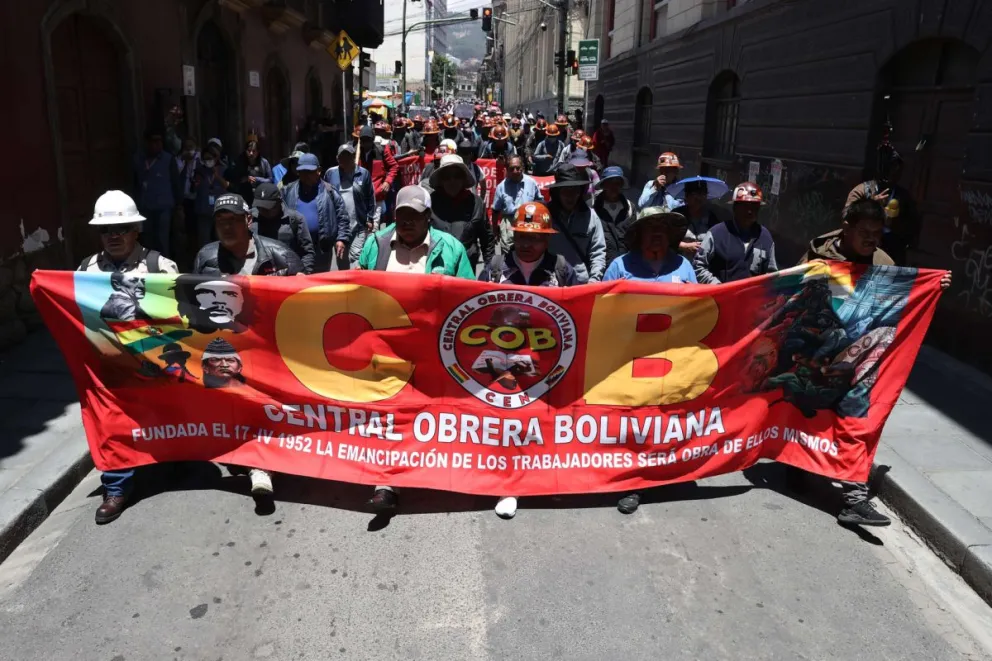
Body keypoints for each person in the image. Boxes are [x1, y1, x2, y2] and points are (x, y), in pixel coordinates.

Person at [794, 196, 952, 526]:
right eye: (864, 231)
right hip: (817, 355)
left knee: (856, 421)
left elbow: (902, 301)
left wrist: (934, 287)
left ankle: (853, 499)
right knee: (807, 415)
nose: (871, 239)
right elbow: (793, 296)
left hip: (860, 361)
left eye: (877, 232)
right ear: (847, 228)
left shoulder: (883, 261)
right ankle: (796, 465)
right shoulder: (818, 256)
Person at [358, 185, 474, 513]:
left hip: (433, 349)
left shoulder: (450, 248)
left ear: (428, 217)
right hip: (384, 347)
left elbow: (467, 297)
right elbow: (357, 287)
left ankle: (429, 469)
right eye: (401, 215)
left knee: (428, 415)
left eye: (414, 216)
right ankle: (387, 481)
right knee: (388, 416)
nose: (406, 222)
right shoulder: (375, 244)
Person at [78, 190, 179, 524]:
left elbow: (177, 316)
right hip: (111, 367)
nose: (114, 236)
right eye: (107, 230)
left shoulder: (160, 266)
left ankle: (174, 459)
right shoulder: (86, 270)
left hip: (153, 362)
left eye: (122, 228)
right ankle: (116, 488)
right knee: (111, 424)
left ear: (137, 229)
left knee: (164, 416)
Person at [191, 193, 301, 496]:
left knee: (266, 410)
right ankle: (256, 461)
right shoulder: (206, 258)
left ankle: (263, 465)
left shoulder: (280, 255)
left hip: (271, 352)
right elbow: (194, 308)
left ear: (248, 221)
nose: (226, 227)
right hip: (228, 351)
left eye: (233, 220)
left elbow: (306, 305)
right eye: (220, 222)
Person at [844, 145, 918, 265]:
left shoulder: (903, 196)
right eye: (890, 169)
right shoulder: (863, 190)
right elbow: (846, 218)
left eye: (897, 170)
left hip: (892, 248)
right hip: (865, 248)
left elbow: (912, 225)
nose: (893, 174)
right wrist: (870, 207)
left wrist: (895, 223)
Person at [694, 183, 778, 284]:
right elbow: (698, 266)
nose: (750, 211)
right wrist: (718, 286)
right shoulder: (716, 233)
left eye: (754, 206)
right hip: (720, 298)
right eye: (745, 206)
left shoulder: (765, 237)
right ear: (734, 208)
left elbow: (771, 274)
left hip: (751, 298)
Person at [428, 154, 495, 271]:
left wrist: (490, 269)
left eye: (457, 176)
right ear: (441, 180)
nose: (452, 181)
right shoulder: (430, 203)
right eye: (447, 177)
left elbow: (487, 239)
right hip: (436, 269)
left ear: (464, 179)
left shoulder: (476, 203)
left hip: (466, 269)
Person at [282, 153, 348, 271]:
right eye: (302, 172)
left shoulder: (330, 192)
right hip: (296, 248)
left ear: (319, 171)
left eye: (309, 172)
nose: (305, 175)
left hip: (321, 249)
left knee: (320, 284)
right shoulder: (288, 191)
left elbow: (342, 216)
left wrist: (341, 239)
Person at [603, 205, 697, 284]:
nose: (657, 232)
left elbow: (696, 303)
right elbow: (602, 302)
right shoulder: (619, 267)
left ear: (670, 234)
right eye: (650, 227)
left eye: (662, 227)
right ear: (639, 234)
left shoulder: (683, 265)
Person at [546, 163, 607, 283]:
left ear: (580, 192)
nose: (570, 196)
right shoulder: (545, 216)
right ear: (557, 192)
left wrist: (594, 280)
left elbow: (598, 252)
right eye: (565, 191)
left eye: (574, 191)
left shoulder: (591, 217)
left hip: (581, 283)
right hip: (550, 282)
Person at [324, 143, 377, 268]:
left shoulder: (363, 174)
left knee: (356, 258)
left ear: (353, 156)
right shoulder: (330, 174)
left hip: (358, 224)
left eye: (348, 156)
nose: (345, 160)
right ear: (337, 158)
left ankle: (357, 283)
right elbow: (325, 197)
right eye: (342, 157)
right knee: (341, 258)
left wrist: (370, 218)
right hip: (339, 226)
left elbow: (370, 196)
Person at [133, 127, 181, 255]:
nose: (156, 145)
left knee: (162, 239)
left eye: (158, 141)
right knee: (147, 239)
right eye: (152, 142)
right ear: (146, 142)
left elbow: (176, 183)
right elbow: (135, 183)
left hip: (164, 206)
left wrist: (178, 206)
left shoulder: (168, 159)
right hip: (145, 207)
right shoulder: (138, 159)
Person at [251, 182, 316, 274]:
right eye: (260, 208)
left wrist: (304, 273)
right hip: (259, 275)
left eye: (268, 208)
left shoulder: (295, 219)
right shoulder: (249, 218)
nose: (263, 211)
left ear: (279, 202)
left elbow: (307, 252)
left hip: (288, 275)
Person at [492, 155, 546, 253]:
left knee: (527, 252)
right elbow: (495, 210)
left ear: (523, 168)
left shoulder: (531, 182)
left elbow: (541, 202)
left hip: (528, 223)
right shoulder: (501, 187)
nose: (515, 171)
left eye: (518, 168)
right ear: (507, 170)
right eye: (512, 169)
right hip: (509, 223)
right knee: (508, 254)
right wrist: (495, 230)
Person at [593, 166, 638, 265]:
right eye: (610, 183)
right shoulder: (592, 208)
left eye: (617, 183)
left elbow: (634, 238)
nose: (614, 187)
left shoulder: (630, 207)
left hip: (625, 264)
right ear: (604, 185)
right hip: (601, 264)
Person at [358, 125, 400, 226]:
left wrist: (387, 182)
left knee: (373, 228)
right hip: (360, 198)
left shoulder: (381, 150)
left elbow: (394, 166)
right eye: (363, 140)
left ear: (372, 140)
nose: (365, 143)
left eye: (368, 140)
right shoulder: (356, 152)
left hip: (376, 197)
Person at [191, 145, 229, 248]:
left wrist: (217, 176)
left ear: (215, 158)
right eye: (205, 159)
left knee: (221, 238)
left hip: (219, 210)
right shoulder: (199, 171)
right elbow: (193, 188)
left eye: (210, 158)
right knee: (204, 239)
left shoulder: (223, 169)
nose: (208, 161)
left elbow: (227, 185)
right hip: (203, 209)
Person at [227, 138, 273, 206]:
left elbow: (270, 180)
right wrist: (245, 179)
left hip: (260, 197)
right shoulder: (239, 162)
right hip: (243, 197)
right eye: (249, 151)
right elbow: (233, 180)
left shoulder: (264, 162)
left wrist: (256, 179)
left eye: (254, 151)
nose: (251, 153)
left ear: (258, 151)